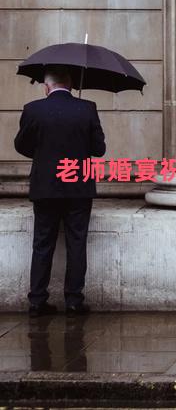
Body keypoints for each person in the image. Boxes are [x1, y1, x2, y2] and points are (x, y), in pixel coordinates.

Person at [14, 65, 106, 317]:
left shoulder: (33, 109)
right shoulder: (87, 108)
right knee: (77, 243)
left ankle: (37, 300)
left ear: (47, 86)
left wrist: (44, 152)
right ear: (71, 84)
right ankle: (74, 300)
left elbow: (21, 145)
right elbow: (99, 149)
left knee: (42, 243)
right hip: (78, 187)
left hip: (45, 186)